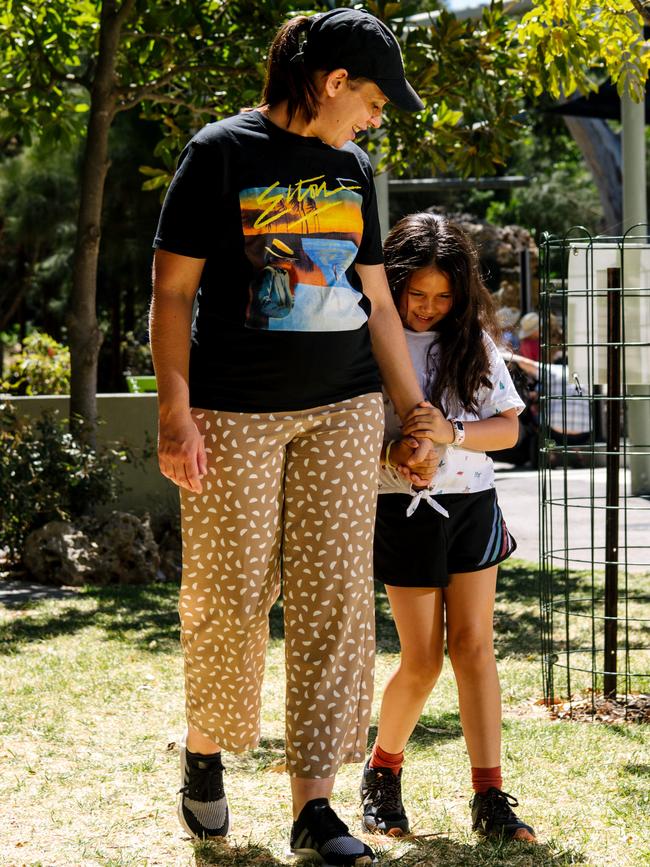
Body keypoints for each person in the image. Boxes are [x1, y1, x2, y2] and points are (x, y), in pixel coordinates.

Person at [150, 9, 435, 866]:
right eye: (376, 100)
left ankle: (314, 805)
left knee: (335, 600)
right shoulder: (219, 153)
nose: (379, 120)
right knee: (231, 593)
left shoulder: (355, 168)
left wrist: (412, 409)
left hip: (341, 408)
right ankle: (207, 747)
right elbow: (172, 295)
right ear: (334, 82)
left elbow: (377, 302)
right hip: (235, 409)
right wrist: (174, 408)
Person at [359, 212, 537, 843]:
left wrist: (453, 435)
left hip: (472, 510)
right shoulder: (370, 337)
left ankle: (490, 797)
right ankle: (382, 774)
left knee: (474, 647)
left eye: (443, 297)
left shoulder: (474, 342)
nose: (429, 308)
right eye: (417, 295)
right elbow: (354, 433)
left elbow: (509, 429)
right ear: (392, 286)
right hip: (401, 511)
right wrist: (394, 457)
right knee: (424, 659)